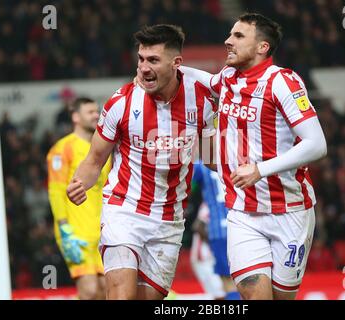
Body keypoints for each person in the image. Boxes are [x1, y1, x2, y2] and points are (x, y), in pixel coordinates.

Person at [179, 13, 327, 300]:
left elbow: (316, 144)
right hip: (243, 213)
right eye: (230, 34)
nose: (227, 41)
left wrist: (260, 169)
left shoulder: (283, 82)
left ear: (262, 47)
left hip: (290, 211)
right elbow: (209, 82)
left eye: (238, 36)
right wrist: (174, 68)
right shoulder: (229, 78)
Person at [66, 24, 216, 300]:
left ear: (176, 64)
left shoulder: (201, 101)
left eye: (153, 60)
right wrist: (79, 184)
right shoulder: (120, 103)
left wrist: (254, 167)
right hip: (124, 211)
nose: (144, 68)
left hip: (169, 220)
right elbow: (95, 160)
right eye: (141, 59)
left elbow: (211, 158)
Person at [47, 97, 112, 299]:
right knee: (90, 291)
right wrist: (64, 228)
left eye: (97, 111)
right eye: (90, 112)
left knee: (105, 291)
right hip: (76, 232)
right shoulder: (62, 149)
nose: (96, 115)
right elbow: (56, 191)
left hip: (103, 229)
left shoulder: (103, 149)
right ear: (76, 116)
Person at [192, 162, 240, 299]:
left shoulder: (202, 166)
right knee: (245, 281)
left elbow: (187, 182)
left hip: (218, 230)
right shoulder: (234, 158)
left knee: (228, 282)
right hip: (240, 225)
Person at [190, 203, 227, 300]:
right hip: (205, 257)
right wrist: (215, 242)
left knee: (216, 294)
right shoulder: (209, 204)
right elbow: (198, 226)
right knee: (221, 293)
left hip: (208, 258)